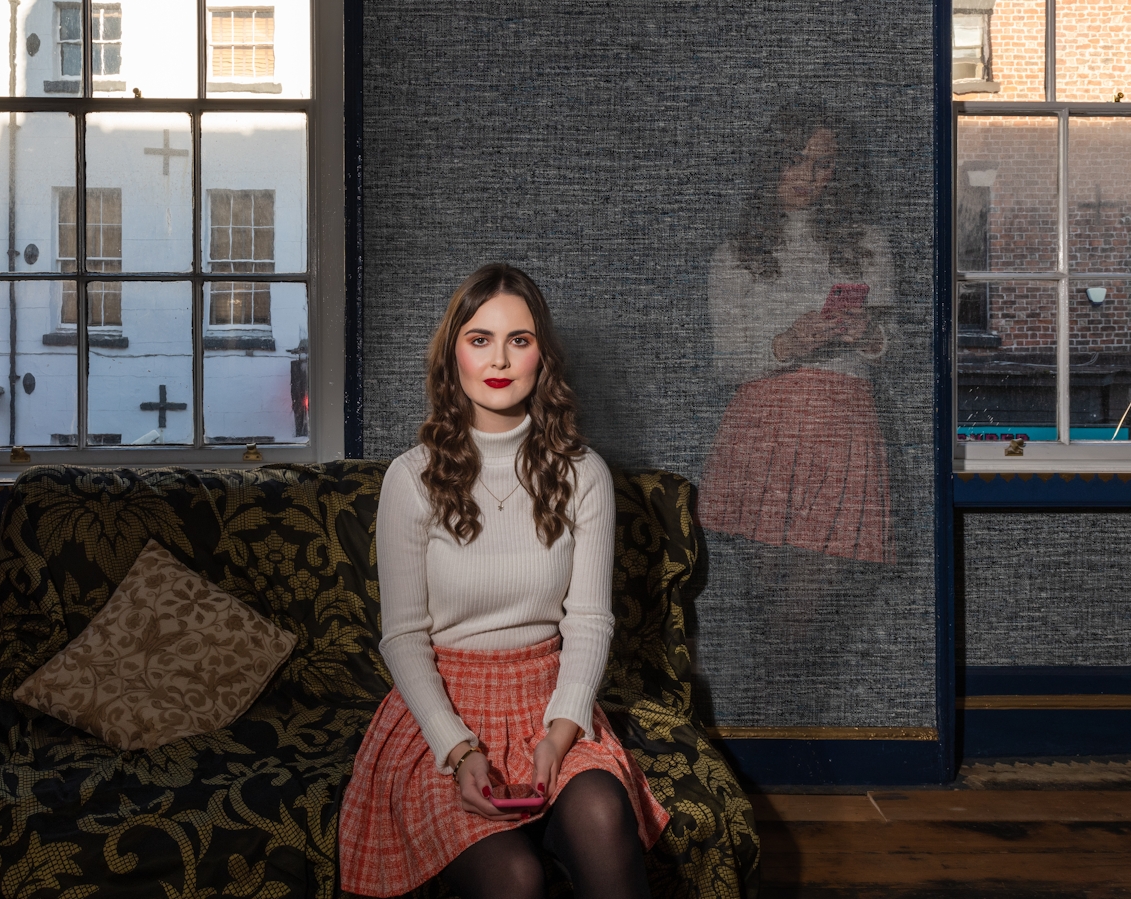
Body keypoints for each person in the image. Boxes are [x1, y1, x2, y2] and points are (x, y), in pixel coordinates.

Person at [337, 263, 668, 899]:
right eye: (480, 338)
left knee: (602, 813)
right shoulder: (411, 479)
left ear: (542, 357)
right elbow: (403, 637)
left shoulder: (584, 474)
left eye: (519, 339)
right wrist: (460, 752)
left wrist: (561, 732)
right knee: (515, 879)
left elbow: (590, 619)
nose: (499, 359)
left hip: (550, 705)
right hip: (443, 717)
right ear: (452, 353)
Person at [696, 106, 897, 713]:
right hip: (764, 428)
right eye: (797, 160)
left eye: (825, 163)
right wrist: (789, 342)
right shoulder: (736, 254)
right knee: (763, 600)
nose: (811, 176)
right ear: (771, 165)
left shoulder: (867, 245)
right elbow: (727, 360)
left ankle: (786, 722)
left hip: (842, 426)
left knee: (805, 609)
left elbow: (897, 348)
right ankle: (775, 727)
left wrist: (868, 334)